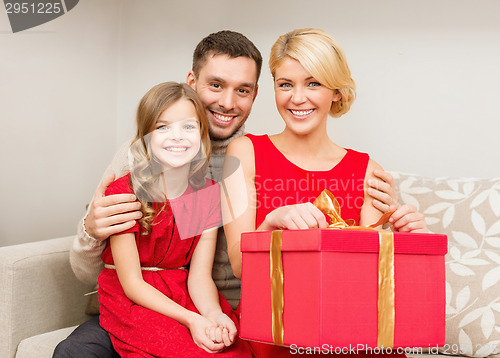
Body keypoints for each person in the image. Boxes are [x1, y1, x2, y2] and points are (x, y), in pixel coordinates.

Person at [54, 30, 400, 358]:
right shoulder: (139, 160)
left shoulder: (234, 161)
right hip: (135, 305)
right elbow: (88, 272)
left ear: (256, 94)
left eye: (243, 90)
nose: (227, 102)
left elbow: (207, 274)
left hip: (210, 305)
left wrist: (397, 223)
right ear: (191, 83)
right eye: (215, 85)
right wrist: (90, 229)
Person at [222, 28, 427, 357]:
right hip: (277, 333)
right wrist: (273, 222)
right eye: (285, 84)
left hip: (350, 332)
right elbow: (239, 265)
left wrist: (412, 240)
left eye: (313, 83)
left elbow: (370, 282)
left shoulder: (367, 169)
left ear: (336, 92)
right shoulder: (244, 152)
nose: (297, 97)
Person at [95, 81, 252, 357]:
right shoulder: (125, 191)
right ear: (145, 136)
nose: (177, 137)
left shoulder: (205, 194)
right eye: (162, 127)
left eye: (188, 127)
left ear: (202, 134)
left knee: (233, 348)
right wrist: (192, 320)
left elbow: (199, 276)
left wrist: (213, 314)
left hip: (182, 293)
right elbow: (132, 284)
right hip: (134, 298)